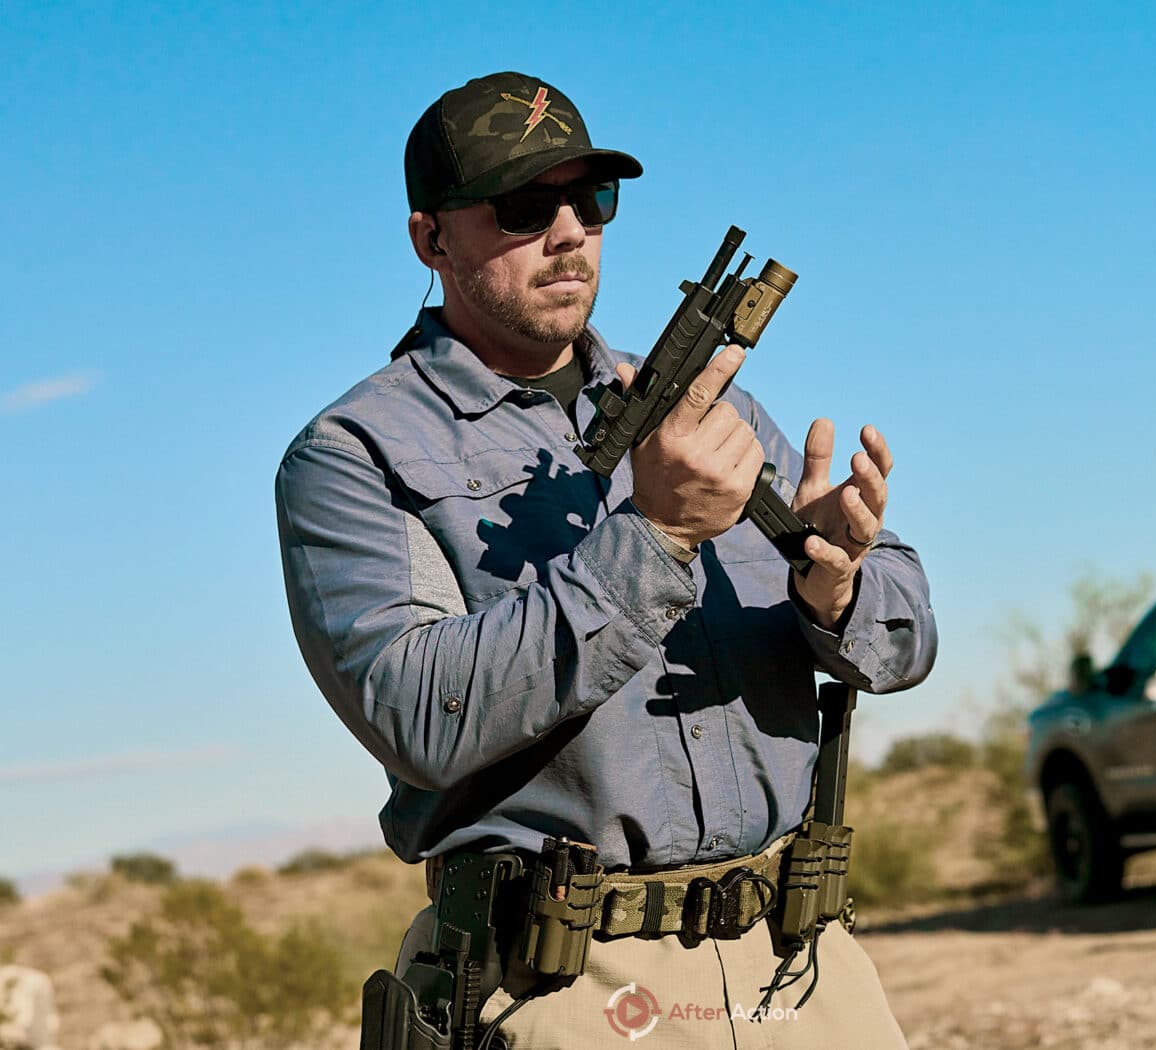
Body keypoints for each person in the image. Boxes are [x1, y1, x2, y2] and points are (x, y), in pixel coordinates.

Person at [275, 71, 937, 1049]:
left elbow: (906, 639)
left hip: (800, 968)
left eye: (592, 200)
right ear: (431, 239)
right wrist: (656, 538)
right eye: (522, 205)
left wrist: (835, 587)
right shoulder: (356, 454)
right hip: (567, 989)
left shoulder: (705, 411)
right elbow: (414, 714)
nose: (569, 232)